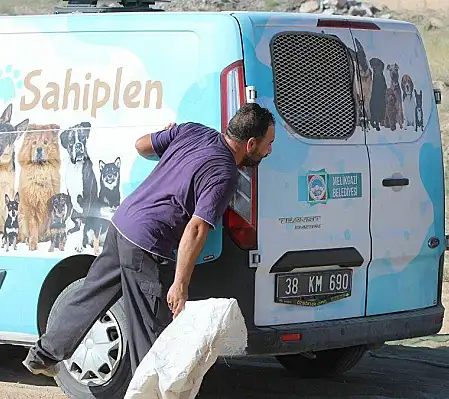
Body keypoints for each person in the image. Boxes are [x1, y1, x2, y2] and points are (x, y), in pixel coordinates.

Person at [22, 103, 275, 378]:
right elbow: (197, 229)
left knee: (90, 295)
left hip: (122, 223)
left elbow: (141, 145)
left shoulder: (193, 131)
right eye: (268, 144)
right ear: (251, 144)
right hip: (147, 242)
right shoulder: (225, 173)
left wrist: (167, 136)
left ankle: (43, 355)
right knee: (151, 332)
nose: (269, 151)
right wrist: (181, 284)